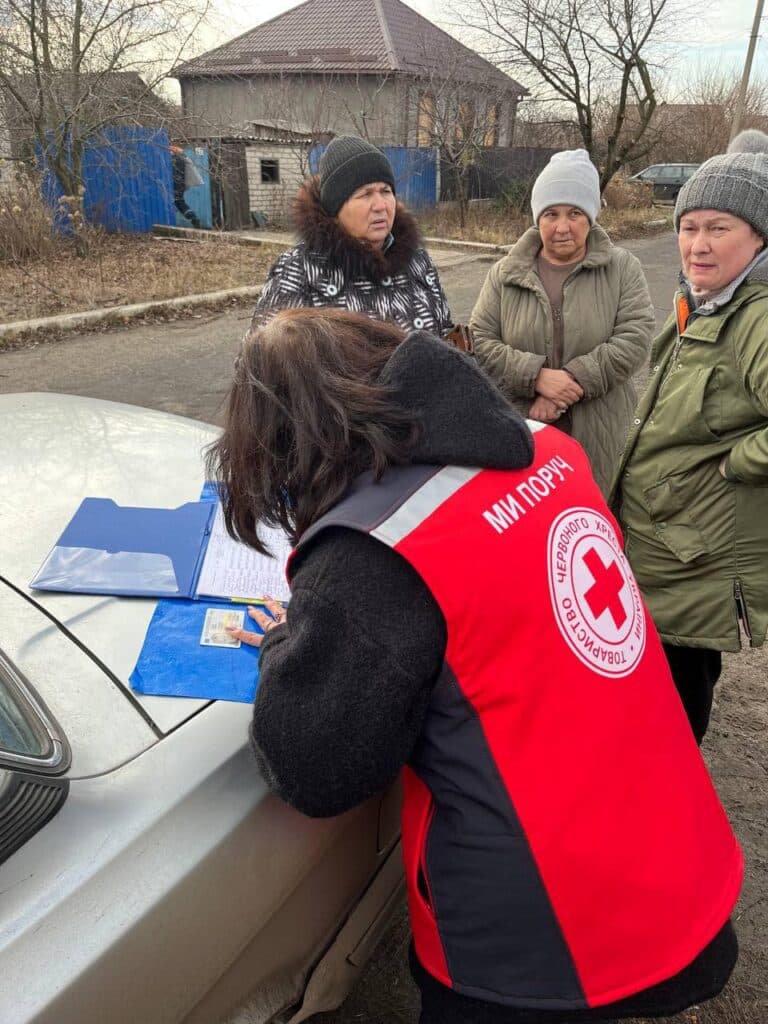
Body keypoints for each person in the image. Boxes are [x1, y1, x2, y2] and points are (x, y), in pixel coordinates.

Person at [208, 307, 741, 1024]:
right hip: (671, 850)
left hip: (546, 932)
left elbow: (315, 765)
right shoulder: (548, 449)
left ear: (287, 442)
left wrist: (289, 643)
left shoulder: (375, 551)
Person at [611, 151, 768, 745]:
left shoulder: (756, 319)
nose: (697, 244)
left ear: (758, 238)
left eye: (719, 228)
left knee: (674, 713)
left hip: (694, 562)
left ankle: (665, 823)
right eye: (688, 226)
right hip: (666, 548)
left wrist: (737, 462)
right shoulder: (703, 304)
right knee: (652, 697)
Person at [470, 149, 654, 495]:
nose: (562, 226)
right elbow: (481, 340)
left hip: (600, 434)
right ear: (537, 218)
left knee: (596, 529)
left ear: (591, 216)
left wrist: (566, 386)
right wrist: (535, 377)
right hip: (524, 431)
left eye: (575, 213)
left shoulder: (622, 268)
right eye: (551, 213)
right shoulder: (505, 273)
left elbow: (635, 338)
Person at [252, 135, 453, 335]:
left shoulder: (417, 260)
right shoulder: (297, 271)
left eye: (385, 191)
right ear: (335, 208)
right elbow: (262, 360)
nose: (381, 205)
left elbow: (445, 333)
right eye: (365, 194)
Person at [170, 144, 202, 229]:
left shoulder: (169, 159)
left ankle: (168, 222)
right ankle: (193, 217)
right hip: (181, 184)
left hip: (172, 184)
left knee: (171, 201)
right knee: (180, 202)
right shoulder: (183, 158)